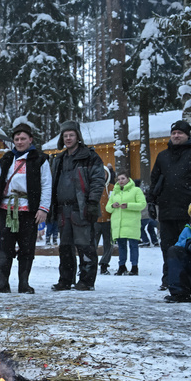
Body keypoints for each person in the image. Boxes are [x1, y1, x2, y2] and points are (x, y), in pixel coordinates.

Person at [146, 120, 191, 290]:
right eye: (174, 133)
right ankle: (169, 278)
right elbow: (155, 180)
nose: (176, 135)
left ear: (187, 135)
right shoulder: (162, 156)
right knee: (167, 246)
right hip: (167, 209)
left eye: (180, 133)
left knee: (190, 246)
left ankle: (190, 278)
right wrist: (151, 201)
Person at [0, 123, 52, 294]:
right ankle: (3, 283)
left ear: (30, 139)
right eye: (16, 139)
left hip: (29, 210)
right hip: (6, 208)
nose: (20, 141)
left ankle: (24, 283)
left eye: (23, 138)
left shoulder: (40, 159)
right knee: (5, 246)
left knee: (27, 247)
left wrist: (43, 209)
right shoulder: (7, 159)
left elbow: (46, 185)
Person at [49, 120, 105, 291]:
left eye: (71, 135)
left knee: (85, 245)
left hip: (82, 207)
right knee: (65, 246)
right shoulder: (59, 159)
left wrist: (92, 202)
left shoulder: (90, 156)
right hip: (62, 209)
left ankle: (87, 281)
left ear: (78, 137)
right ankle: (66, 279)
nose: (68, 138)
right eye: (65, 135)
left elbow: (97, 180)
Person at [106, 172, 146, 275]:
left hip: (132, 222)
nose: (120, 181)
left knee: (133, 246)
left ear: (128, 179)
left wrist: (128, 205)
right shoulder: (115, 192)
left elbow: (142, 204)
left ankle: (134, 267)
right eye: (119, 179)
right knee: (121, 246)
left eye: (123, 178)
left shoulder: (136, 190)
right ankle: (122, 266)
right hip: (118, 224)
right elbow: (108, 207)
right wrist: (112, 206)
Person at [95, 164, 115, 275]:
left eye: (104, 173)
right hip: (96, 220)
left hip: (109, 220)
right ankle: (90, 264)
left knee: (109, 244)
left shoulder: (112, 187)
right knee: (92, 244)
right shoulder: (93, 187)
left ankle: (104, 264)